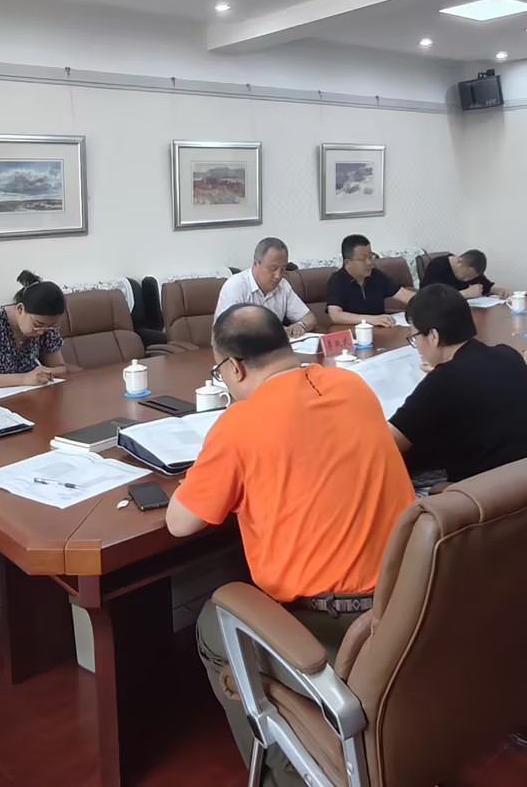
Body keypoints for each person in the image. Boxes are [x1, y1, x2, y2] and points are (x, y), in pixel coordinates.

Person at [167, 305, 413, 787]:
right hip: (405, 597)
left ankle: (285, 775)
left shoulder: (239, 424)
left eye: (220, 372)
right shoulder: (351, 386)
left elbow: (180, 523)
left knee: (215, 624)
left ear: (234, 368)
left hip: (336, 629)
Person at [390, 284, 527, 481]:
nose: (416, 346)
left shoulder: (442, 382)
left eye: (414, 336)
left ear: (433, 336)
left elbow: (389, 443)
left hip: (488, 494)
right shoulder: (508, 355)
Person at [0, 270, 68, 390]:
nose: (41, 332)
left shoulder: (47, 328)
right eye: (38, 324)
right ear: (20, 309)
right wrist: (24, 379)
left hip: (20, 394)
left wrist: (45, 372)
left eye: (50, 326)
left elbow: (60, 368)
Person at [215, 236, 318, 337]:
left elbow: (309, 317)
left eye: (283, 269)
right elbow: (227, 330)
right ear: (256, 263)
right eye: (273, 268)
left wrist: (301, 325)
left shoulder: (283, 286)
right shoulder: (235, 287)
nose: (278, 276)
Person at [325, 234, 413, 327]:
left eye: (370, 257)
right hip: (353, 331)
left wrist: (423, 302)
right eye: (362, 259)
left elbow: (405, 295)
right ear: (347, 262)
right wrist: (371, 319)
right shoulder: (337, 280)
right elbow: (335, 315)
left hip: (381, 330)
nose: (369, 262)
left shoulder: (376, 275)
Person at [420, 249, 509, 300]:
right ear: (459, 261)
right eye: (466, 276)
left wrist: (497, 290)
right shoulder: (437, 266)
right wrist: (464, 294)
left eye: (472, 277)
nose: (467, 280)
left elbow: (485, 285)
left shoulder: (472, 269)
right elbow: (430, 298)